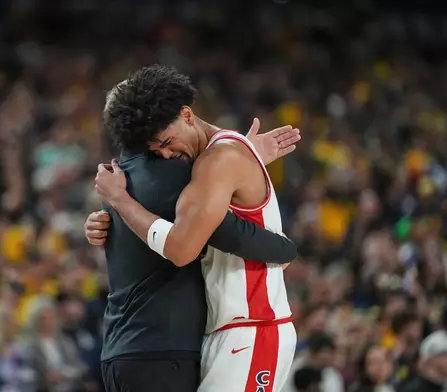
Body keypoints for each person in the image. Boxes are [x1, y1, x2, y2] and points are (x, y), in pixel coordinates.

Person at [85, 77, 299, 392]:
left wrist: (120, 201)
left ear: (186, 115)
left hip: (254, 328)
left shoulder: (220, 158)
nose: (166, 155)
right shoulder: (214, 159)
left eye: (167, 141)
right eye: (155, 149)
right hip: (225, 330)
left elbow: (181, 248)